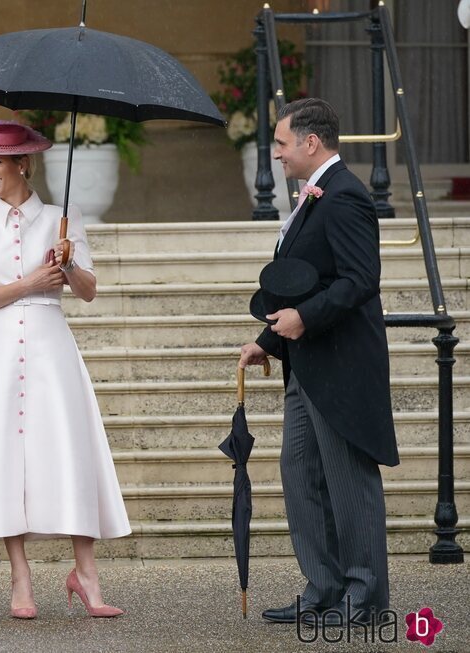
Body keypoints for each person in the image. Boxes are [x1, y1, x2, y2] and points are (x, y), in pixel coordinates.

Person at [0, 121, 131, 619]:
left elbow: (87, 291)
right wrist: (29, 281)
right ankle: (21, 578)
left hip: (51, 347)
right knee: (5, 460)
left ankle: (85, 575)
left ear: (23, 163)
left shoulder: (64, 219)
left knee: (67, 451)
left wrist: (67, 266)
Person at [239, 98, 398, 626]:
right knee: (300, 474)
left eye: (282, 144)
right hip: (306, 365)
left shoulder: (347, 196)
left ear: (311, 143)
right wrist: (270, 339)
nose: (276, 154)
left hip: (342, 367)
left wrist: (304, 319)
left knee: (348, 481)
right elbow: (308, 279)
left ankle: (364, 596)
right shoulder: (313, 197)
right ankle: (324, 586)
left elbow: (359, 279)